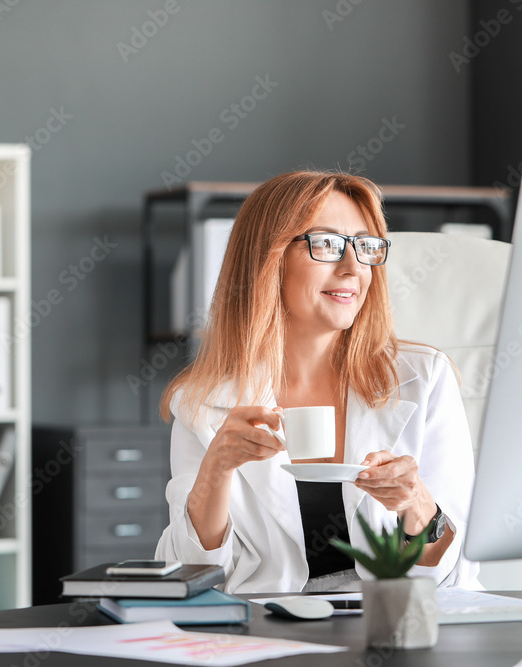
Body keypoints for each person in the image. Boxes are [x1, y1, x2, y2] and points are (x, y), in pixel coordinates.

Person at [155, 171, 479, 594]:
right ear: (268, 259)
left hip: (389, 624)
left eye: (364, 247)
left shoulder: (424, 379)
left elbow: (452, 578)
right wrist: (215, 472)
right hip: (267, 632)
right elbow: (189, 577)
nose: (352, 268)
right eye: (326, 244)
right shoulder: (204, 404)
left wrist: (415, 504)